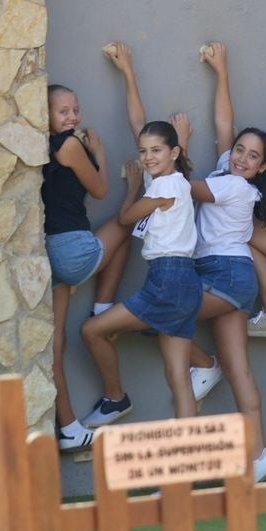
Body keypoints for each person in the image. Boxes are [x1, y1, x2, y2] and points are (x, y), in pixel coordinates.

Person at [172, 43, 266, 480]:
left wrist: (178, 145)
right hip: (225, 275)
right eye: (240, 149)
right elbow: (223, 123)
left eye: (252, 156)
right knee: (241, 372)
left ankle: (204, 364)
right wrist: (221, 71)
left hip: (228, 275)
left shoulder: (236, 188)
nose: (240, 157)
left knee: (161, 313)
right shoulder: (227, 169)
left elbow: (183, 185)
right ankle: (260, 455)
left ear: (262, 167)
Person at [78, 122, 203, 421]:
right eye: (143, 151)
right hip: (187, 280)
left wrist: (133, 187)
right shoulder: (180, 182)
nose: (147, 157)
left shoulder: (164, 185)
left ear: (174, 152)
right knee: (178, 377)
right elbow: (141, 130)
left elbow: (125, 219)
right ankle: (189, 455)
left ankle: (115, 397)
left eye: (156, 150)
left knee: (91, 330)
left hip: (166, 278)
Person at [43, 77, 132, 450]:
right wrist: (100, 151)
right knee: (126, 226)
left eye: (75, 110)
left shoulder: (45, 148)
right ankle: (103, 305)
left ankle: (68, 428)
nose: (72, 116)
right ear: (46, 114)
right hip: (74, 251)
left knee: (56, 343)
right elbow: (99, 189)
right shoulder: (69, 145)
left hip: (50, 253)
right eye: (63, 111)